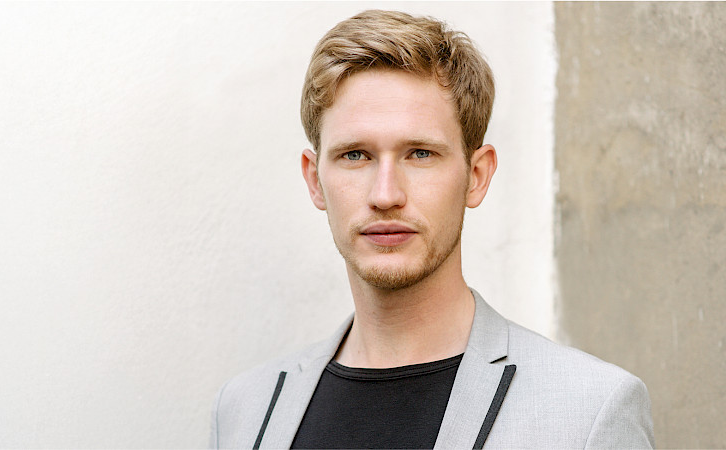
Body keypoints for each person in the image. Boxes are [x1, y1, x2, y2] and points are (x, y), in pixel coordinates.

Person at [209, 9, 654, 449]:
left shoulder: (589, 410)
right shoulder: (243, 410)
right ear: (314, 179)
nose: (385, 194)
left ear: (476, 175)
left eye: (420, 154)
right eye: (355, 155)